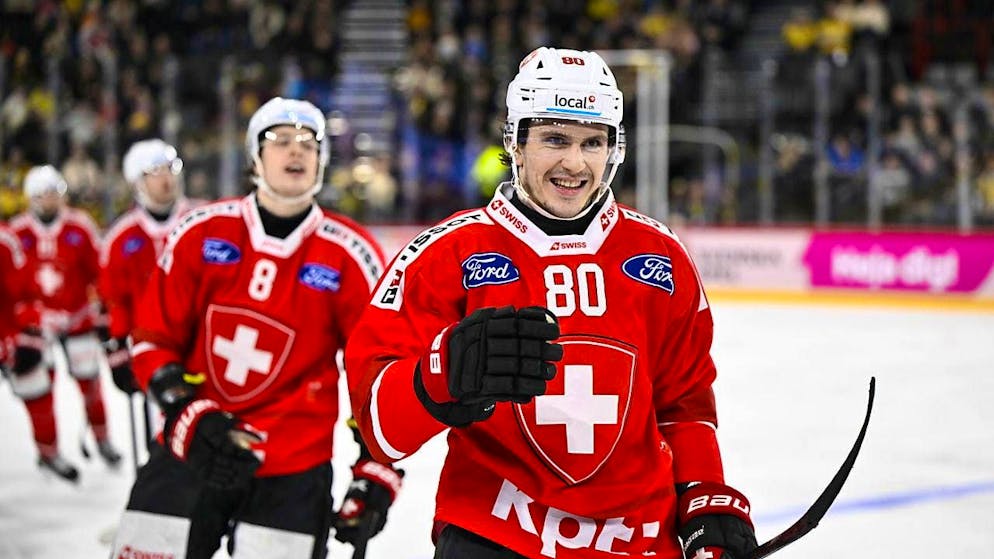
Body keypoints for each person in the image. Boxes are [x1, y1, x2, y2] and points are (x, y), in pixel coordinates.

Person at [344, 47, 758, 559]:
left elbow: (684, 403)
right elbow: (380, 428)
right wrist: (441, 375)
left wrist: (703, 496)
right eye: (555, 139)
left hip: (637, 541)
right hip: (493, 536)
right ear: (515, 143)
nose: (575, 163)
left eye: (593, 142)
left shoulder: (661, 257)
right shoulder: (445, 254)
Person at [110, 97, 403, 559]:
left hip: (293, 466)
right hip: (194, 443)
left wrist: (376, 470)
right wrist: (188, 415)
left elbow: (378, 373)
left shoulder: (351, 254)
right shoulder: (200, 231)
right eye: (281, 140)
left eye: (309, 143)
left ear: (322, 161)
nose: (296, 150)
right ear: (254, 158)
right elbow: (152, 340)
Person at [10, 165, 122, 481]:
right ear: (31, 197)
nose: (49, 200)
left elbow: (100, 271)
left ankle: (102, 438)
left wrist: (103, 311)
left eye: (54, 193)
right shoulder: (18, 232)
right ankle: (48, 450)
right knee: (37, 390)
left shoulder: (80, 226)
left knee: (90, 383)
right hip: (35, 325)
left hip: (77, 317)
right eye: (42, 194)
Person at [98, 138, 202, 459]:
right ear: (137, 182)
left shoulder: (203, 220)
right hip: (154, 349)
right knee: (165, 436)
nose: (165, 179)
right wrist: (118, 351)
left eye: (170, 169)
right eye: (154, 172)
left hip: (204, 344)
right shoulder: (121, 238)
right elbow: (114, 299)